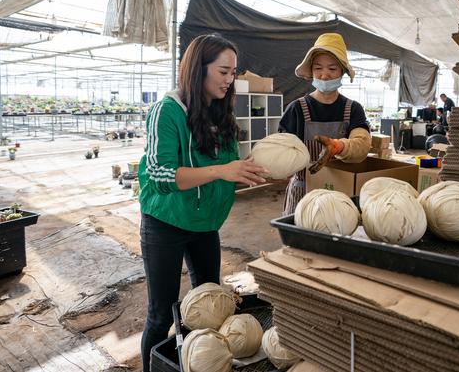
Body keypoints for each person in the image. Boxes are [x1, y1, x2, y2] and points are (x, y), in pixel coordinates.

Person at [137, 34, 267, 372]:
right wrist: (224, 169)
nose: (229, 80)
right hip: (165, 222)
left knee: (210, 303)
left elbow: (220, 174)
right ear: (198, 69)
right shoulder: (167, 111)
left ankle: (201, 362)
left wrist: (246, 171)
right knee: (161, 312)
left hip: (204, 224)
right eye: (223, 71)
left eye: (233, 72)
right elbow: (161, 177)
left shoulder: (220, 112)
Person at [278, 33, 372, 215]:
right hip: (302, 193)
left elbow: (362, 145)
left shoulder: (353, 109)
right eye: (318, 68)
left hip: (339, 192)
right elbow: (282, 148)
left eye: (332, 69)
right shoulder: (296, 108)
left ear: (342, 71)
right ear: (311, 71)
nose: (325, 75)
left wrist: (338, 147)